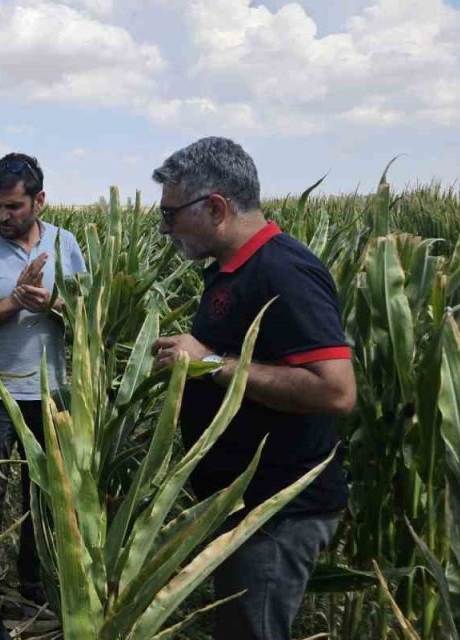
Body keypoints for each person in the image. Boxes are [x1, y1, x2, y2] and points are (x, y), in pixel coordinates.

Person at [149, 137, 356, 640]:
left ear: (216, 208)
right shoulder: (234, 269)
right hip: (245, 506)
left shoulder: (284, 271)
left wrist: (210, 364)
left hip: (275, 512)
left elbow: (335, 391)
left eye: (171, 214)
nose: (165, 228)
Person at [0, 153, 86, 640]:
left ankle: (32, 589)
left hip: (50, 393)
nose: (2, 216)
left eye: (13, 206)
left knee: (43, 499)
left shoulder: (67, 245)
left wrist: (54, 304)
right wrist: (12, 303)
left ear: (39, 200)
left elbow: (90, 315)